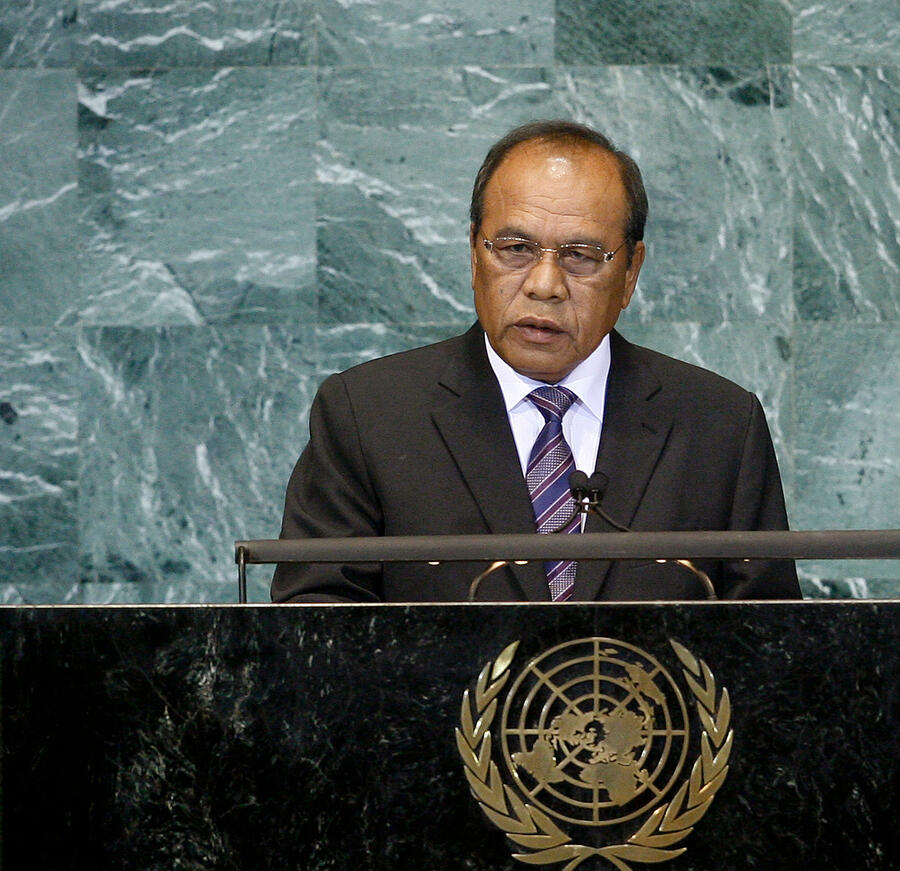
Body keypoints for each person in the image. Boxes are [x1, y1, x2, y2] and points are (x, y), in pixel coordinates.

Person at [272, 120, 801, 602]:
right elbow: (313, 623)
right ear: (474, 252)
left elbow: (771, 643)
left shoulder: (719, 426)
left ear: (631, 272)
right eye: (515, 248)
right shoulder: (368, 415)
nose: (544, 285)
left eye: (580, 256)